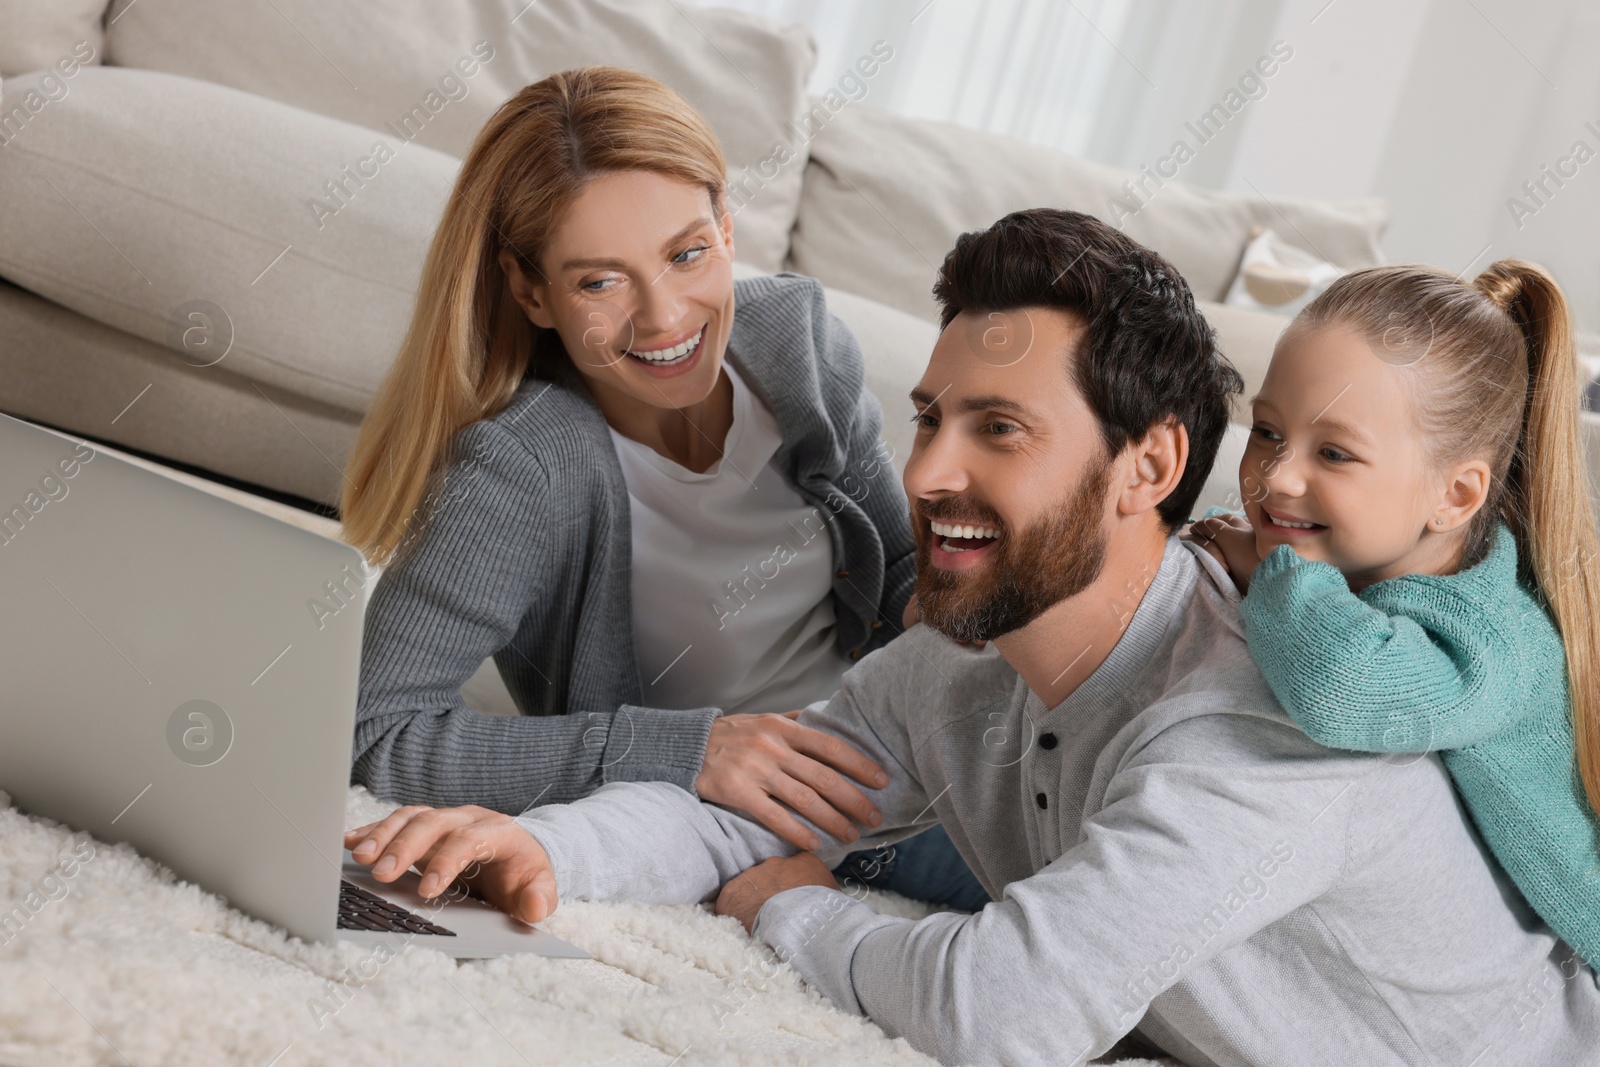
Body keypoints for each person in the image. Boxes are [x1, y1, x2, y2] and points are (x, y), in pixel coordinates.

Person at [342, 209, 1600, 1066]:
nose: (927, 471)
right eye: (930, 415)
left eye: (999, 430)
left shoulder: (1264, 727)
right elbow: (759, 802)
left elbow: (1004, 1013)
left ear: (1147, 464)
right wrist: (535, 842)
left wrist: (801, 911)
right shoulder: (956, 657)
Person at [337, 66, 985, 910]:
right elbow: (373, 728)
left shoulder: (800, 348)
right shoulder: (521, 469)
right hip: (778, 822)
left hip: (915, 735)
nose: (665, 318)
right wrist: (687, 749)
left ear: (725, 224)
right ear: (532, 290)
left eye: (687, 254)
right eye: (600, 281)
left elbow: (899, 569)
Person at [1183, 259, 1600, 967]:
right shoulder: (1380, 559)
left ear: (1456, 497)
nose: (1277, 476)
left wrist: (1268, 564)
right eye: (1267, 431)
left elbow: (1344, 687)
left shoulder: (1491, 641)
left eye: (1335, 452)